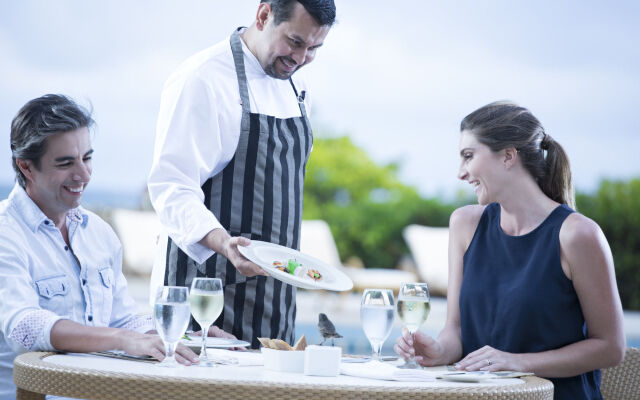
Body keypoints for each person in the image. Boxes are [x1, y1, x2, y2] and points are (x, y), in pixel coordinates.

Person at [394, 101, 625, 399]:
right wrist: (438, 350)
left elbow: (610, 347)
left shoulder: (577, 235)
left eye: (468, 156)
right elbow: (456, 330)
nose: (460, 173)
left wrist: (518, 363)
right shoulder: (465, 224)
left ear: (507, 156)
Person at [147, 0, 336, 348]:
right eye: (295, 41)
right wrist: (223, 243)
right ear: (263, 15)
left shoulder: (297, 83)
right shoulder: (202, 78)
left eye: (314, 48)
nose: (301, 57)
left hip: (275, 298)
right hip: (206, 294)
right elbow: (171, 187)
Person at [0, 94, 210, 399]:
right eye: (65, 163)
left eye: (87, 158)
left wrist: (181, 335)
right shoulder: (6, 232)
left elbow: (122, 320)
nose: (83, 175)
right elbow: (24, 328)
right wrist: (122, 339)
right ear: (26, 167)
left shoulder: (99, 233)